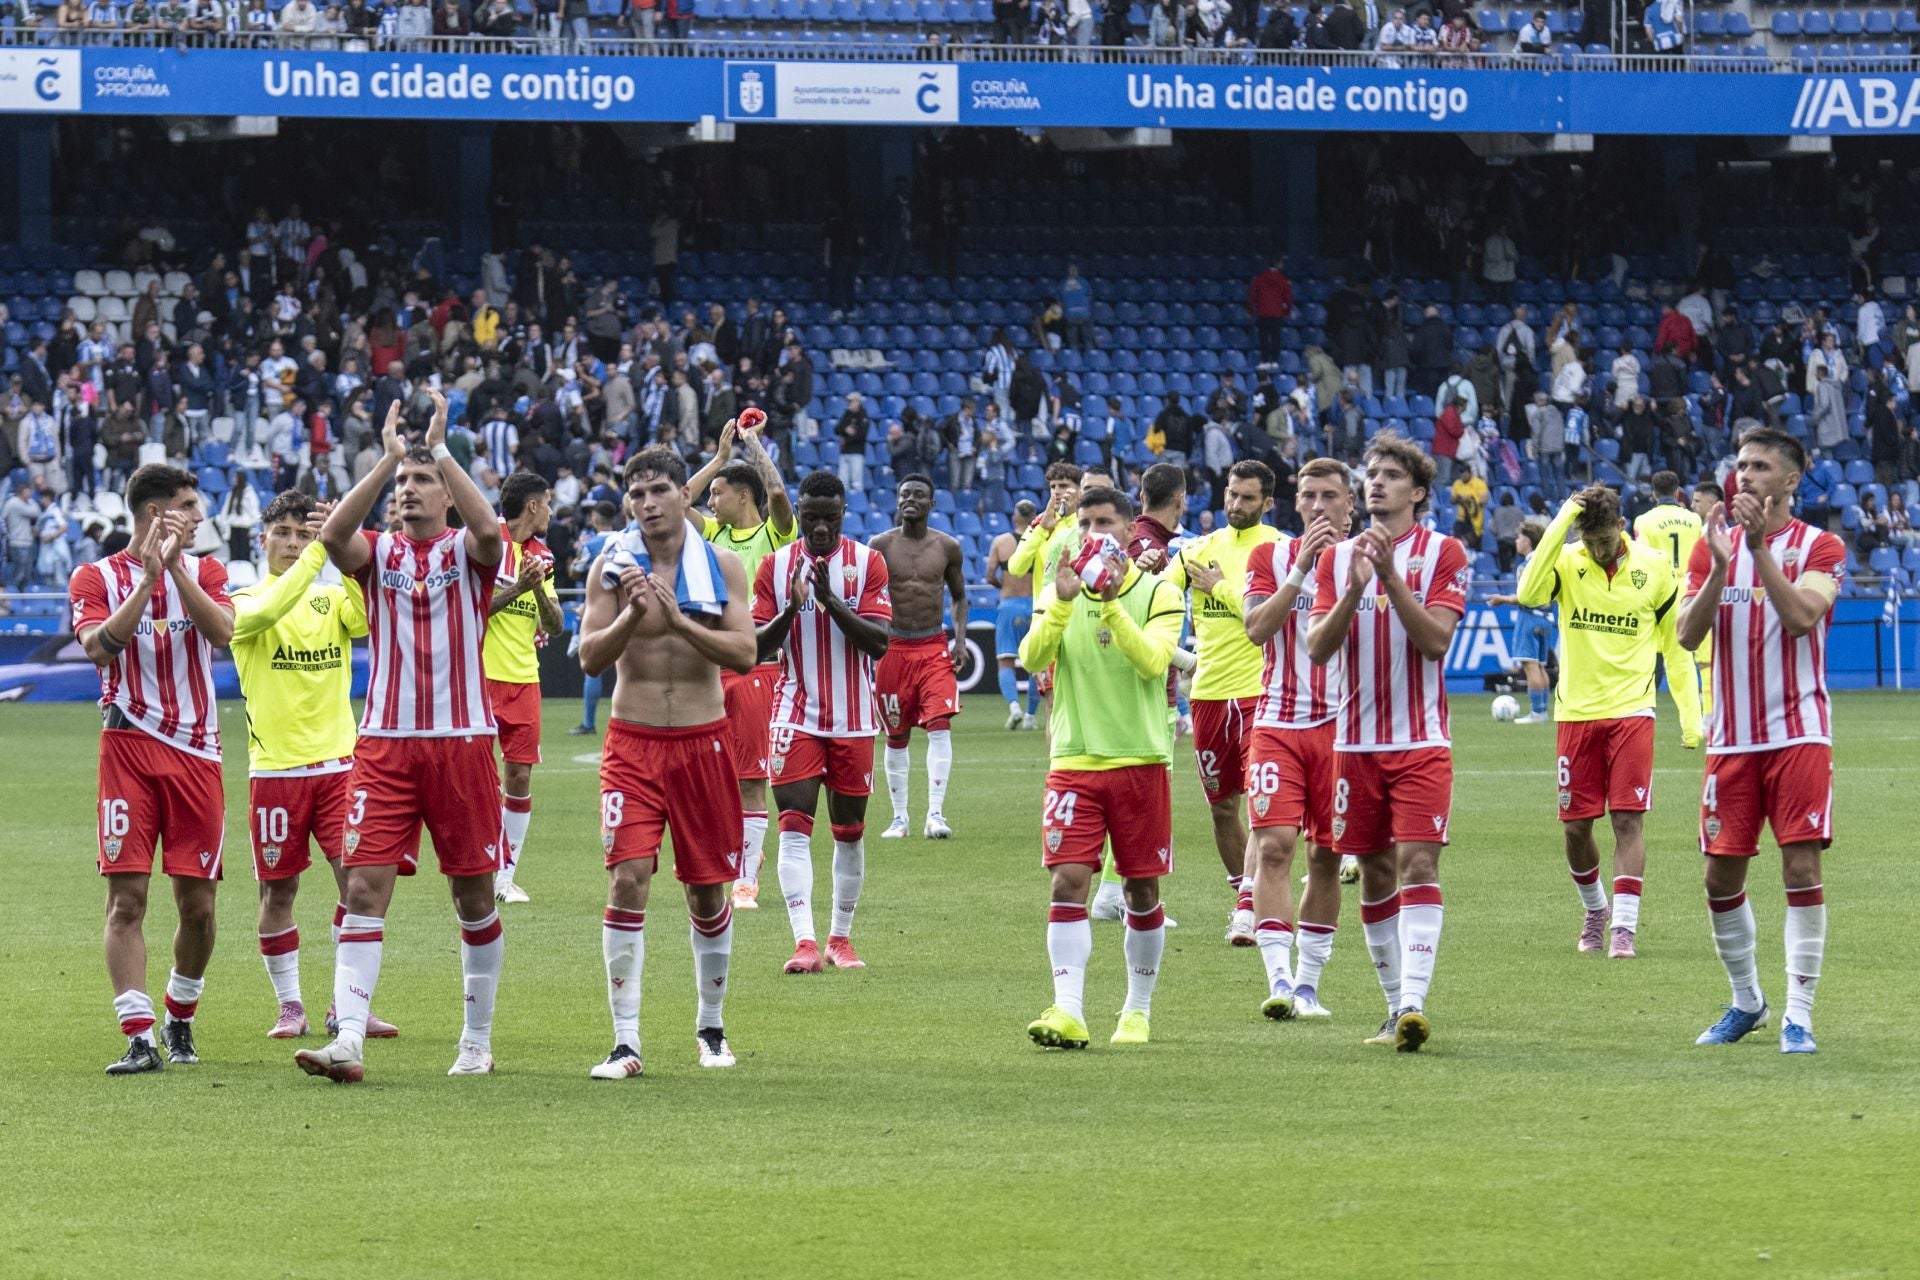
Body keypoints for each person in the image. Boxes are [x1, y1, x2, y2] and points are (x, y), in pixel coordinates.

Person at [294, 393, 507, 1084]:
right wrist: (388, 457)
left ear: (447, 492)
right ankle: (348, 1040)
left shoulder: (466, 552)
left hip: (463, 743)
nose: (407, 492)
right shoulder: (378, 554)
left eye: (421, 481)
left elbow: (491, 534)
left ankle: (476, 1041)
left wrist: (440, 450)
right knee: (362, 887)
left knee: (474, 897)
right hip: (384, 746)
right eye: (402, 484)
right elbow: (332, 538)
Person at [575, 447, 757, 1078]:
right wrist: (632, 613)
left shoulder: (725, 566)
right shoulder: (612, 566)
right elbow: (589, 658)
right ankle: (626, 1043)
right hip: (633, 742)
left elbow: (743, 654)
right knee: (627, 877)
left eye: (657, 490)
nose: (646, 503)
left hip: (703, 742)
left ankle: (711, 1027)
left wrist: (677, 620)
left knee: (707, 891)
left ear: (686, 494)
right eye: (635, 494)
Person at [1675, 429, 1842, 1054]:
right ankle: (1748, 1000)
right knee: (1720, 877)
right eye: (1740, 465)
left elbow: (1801, 617)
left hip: (1799, 733)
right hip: (1732, 741)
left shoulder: (1820, 546)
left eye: (1760, 466)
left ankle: (1799, 1014)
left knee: (1801, 866)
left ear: (1792, 480)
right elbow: (1689, 635)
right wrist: (1722, 563)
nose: (1744, 475)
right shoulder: (1707, 549)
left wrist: (1757, 549)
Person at [1306, 434, 1469, 1053]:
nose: (1376, 482)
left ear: (1418, 491)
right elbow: (1318, 648)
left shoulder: (1444, 553)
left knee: (1418, 865)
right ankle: (1392, 1006)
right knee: (1375, 872)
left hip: (1421, 740)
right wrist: (1354, 585)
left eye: (1392, 475)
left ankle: (1413, 1004)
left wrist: (1392, 579)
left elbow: (1436, 642)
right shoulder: (1334, 558)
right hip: (1353, 744)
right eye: (1371, 473)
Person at [71, 465, 235, 1075]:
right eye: (189, 507)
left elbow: (222, 633)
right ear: (155, 513)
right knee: (127, 901)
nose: (199, 517)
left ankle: (180, 1018)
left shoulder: (210, 572)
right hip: (128, 751)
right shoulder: (95, 577)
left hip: (197, 753)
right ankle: (138, 1034)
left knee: (199, 907)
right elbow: (98, 647)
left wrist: (174, 573)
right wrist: (146, 581)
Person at [228, 491, 399, 1041]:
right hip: (276, 771)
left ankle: (345, 1004)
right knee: (279, 892)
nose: (294, 544)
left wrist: (345, 546)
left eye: (305, 535)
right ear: (263, 540)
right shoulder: (244, 601)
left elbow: (368, 615)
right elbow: (277, 605)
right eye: (283, 533)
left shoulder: (329, 600)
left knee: (357, 885)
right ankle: (290, 1005)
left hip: (339, 767)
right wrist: (321, 553)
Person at [1020, 486, 1184, 1050]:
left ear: (1130, 528)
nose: (1094, 532)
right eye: (1085, 522)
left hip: (1139, 758)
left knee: (1141, 890)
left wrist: (1110, 599)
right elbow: (1032, 657)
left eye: (1105, 521)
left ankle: (1136, 1010)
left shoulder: (1160, 591)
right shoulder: (1056, 589)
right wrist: (1066, 602)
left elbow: (1154, 662)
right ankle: (1068, 1010)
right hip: (1074, 760)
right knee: (1068, 879)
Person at [1515, 487, 1679, 960]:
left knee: (1628, 820)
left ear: (1623, 526)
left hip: (1633, 710)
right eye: (1591, 542)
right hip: (1577, 713)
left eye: (1605, 540)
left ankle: (1624, 928)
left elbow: (1673, 646)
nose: (1600, 550)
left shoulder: (1654, 569)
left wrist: (1690, 715)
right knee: (1576, 828)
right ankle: (1595, 909)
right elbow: (1528, 593)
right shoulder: (1567, 560)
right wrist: (1564, 514)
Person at [1134, 461, 1279, 946]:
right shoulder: (1196, 550)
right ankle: (1250, 894)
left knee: (1262, 807)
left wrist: (1218, 586)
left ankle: (1247, 909)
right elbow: (1149, 599)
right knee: (1222, 809)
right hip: (1209, 695)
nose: (1237, 505)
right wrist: (1146, 572)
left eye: (1248, 498)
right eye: (1232, 495)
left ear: (1267, 504)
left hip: (1262, 692)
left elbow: (1262, 619)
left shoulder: (1277, 550)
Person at [752, 471, 891, 975]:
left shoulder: (868, 563)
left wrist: (830, 599)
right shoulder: (775, 566)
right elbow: (754, 650)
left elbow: (879, 643)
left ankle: (840, 938)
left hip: (854, 718)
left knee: (849, 832)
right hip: (795, 713)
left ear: (843, 515)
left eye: (830, 519)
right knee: (794, 828)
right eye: (811, 518)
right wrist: (791, 608)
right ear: (798, 515)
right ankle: (805, 942)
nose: (820, 529)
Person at [1241, 458, 1354, 1020]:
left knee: (1327, 856)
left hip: (1343, 731)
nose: (1316, 506)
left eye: (1329, 496)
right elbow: (1257, 629)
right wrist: (1302, 570)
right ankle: (1279, 979)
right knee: (1273, 849)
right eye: (1307, 495)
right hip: (1279, 725)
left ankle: (1310, 983)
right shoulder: (1271, 556)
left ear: (1349, 505)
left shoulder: (1371, 563)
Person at [687, 419, 796, 911]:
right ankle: (732, 860)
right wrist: (718, 456)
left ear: (743, 496)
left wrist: (753, 446)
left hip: (757, 667)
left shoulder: (774, 535)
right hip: (709, 669)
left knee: (751, 778)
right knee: (713, 778)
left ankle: (746, 879)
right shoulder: (712, 533)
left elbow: (775, 489)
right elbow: (675, 504)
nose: (711, 500)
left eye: (719, 491)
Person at [871, 476, 969, 841]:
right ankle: (899, 819)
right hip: (893, 649)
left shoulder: (948, 547)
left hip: (932, 648)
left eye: (918, 495)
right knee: (896, 736)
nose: (910, 499)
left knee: (940, 726)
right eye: (904, 494)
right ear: (897, 501)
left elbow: (959, 596)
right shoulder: (879, 545)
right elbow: (865, 595)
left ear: (932, 504)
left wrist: (959, 641)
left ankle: (936, 814)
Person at [484, 473, 564, 906]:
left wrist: (539, 594)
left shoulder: (541, 556)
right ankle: (476, 867)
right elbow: (471, 609)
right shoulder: (484, 543)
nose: (551, 510)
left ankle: (504, 876)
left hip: (523, 681)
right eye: (548, 502)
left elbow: (556, 624)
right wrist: (520, 587)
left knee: (518, 777)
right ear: (532, 507)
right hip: (477, 679)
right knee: (475, 781)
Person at [1632, 470, 1707, 748]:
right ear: (1678, 492)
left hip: (1656, 597)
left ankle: (1638, 728)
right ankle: (1691, 733)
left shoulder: (1644, 521)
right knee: (1683, 666)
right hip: (1686, 596)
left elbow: (1641, 558)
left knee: (1644, 664)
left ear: (1653, 492)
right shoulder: (1694, 519)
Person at [1487, 520, 1554, 724]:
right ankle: (1542, 712)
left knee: (1530, 666)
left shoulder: (1527, 566)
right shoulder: (1546, 565)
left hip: (1529, 617)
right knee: (1541, 666)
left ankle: (1536, 713)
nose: (1517, 541)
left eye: (1520, 538)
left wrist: (1501, 599)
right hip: (1546, 618)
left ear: (1528, 542)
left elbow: (1523, 597)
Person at [986, 499, 1042, 730]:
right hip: (1036, 605)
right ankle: (1030, 715)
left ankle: (1014, 708)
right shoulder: (1040, 541)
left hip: (1009, 604)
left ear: (1014, 517)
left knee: (1005, 660)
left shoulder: (1001, 542)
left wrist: (1005, 587)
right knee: (1036, 663)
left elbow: (990, 574)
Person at [568, 500, 620, 737]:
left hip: (596, 609)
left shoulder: (591, 544)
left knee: (593, 668)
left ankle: (589, 723)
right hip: (625, 609)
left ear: (596, 519)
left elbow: (575, 571)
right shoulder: (626, 539)